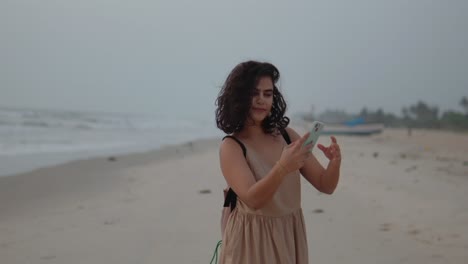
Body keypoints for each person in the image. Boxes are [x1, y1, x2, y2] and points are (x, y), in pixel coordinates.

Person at [214, 60, 342, 264]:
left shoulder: (287, 136)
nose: (261, 100)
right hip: (250, 242)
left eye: (267, 93)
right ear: (239, 97)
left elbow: (325, 185)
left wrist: (334, 164)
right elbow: (253, 199)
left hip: (289, 235)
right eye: (254, 93)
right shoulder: (232, 146)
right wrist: (282, 168)